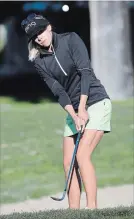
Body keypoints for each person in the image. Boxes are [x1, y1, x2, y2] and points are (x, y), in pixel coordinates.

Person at [21, 13, 112, 210]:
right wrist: (74, 115)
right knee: (68, 162)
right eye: (33, 36)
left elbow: (85, 72)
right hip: (73, 108)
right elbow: (59, 91)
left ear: (49, 27)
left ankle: (92, 209)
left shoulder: (71, 39)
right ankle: (74, 212)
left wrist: (82, 108)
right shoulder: (38, 60)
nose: (38, 37)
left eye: (40, 31)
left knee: (81, 155)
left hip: (95, 101)